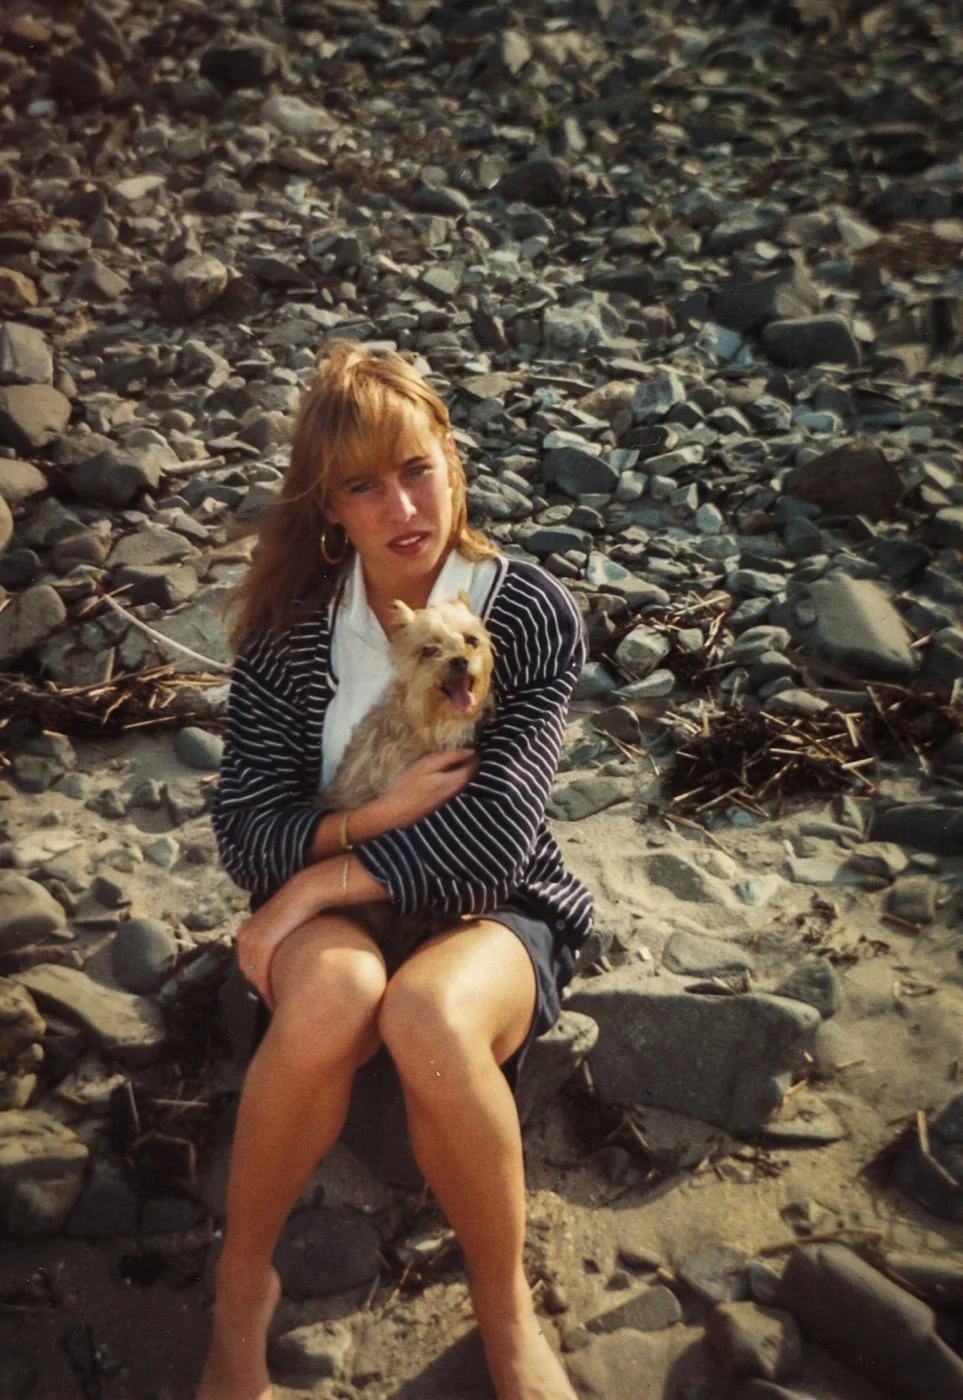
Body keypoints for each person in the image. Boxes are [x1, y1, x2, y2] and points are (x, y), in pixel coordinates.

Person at [196, 341, 594, 1400]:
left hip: (494, 903)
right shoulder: (291, 632)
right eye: (364, 487)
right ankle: (240, 1294)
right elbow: (244, 828)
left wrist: (310, 883)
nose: (403, 508)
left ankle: (504, 1314)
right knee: (336, 993)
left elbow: (494, 838)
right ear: (330, 508)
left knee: (426, 1015)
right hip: (347, 909)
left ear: (451, 461)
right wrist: (366, 821)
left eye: (416, 469)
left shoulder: (523, 611)